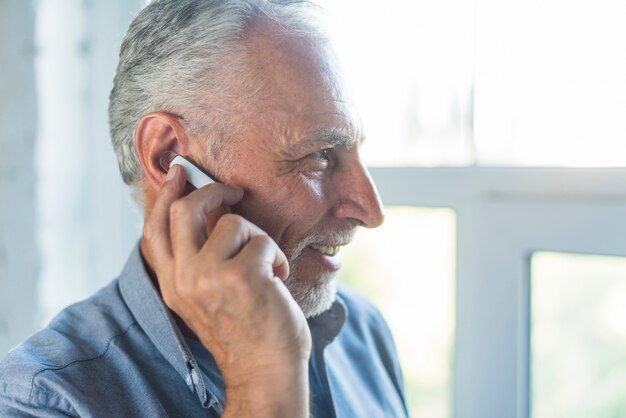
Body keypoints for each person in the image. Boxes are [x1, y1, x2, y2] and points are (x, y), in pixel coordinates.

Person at [0, 1, 409, 416]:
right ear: (168, 157)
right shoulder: (44, 400)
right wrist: (263, 375)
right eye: (320, 155)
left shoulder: (360, 331)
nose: (370, 210)